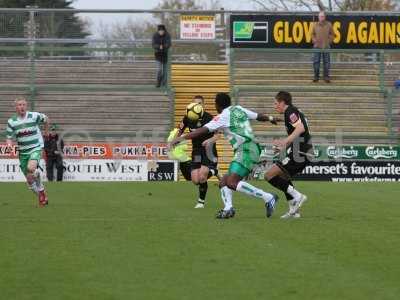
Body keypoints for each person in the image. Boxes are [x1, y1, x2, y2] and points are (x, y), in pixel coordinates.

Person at [170, 93, 280, 219]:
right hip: (247, 148)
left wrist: (180, 138)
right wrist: (271, 118)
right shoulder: (238, 109)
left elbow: (202, 130)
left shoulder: (222, 117)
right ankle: (228, 208)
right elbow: (258, 116)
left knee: (232, 182)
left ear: (217, 105)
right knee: (224, 182)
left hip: (246, 149)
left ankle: (268, 197)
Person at [264, 91, 313, 219]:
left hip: (300, 152)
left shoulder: (290, 111)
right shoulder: (292, 112)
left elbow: (300, 128)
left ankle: (298, 196)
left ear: (282, 102)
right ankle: (294, 210)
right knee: (284, 177)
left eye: (276, 103)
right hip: (300, 151)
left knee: (269, 175)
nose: (275, 107)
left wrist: (285, 141)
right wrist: (283, 147)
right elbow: (298, 133)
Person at [5, 97, 49, 207]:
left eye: (23, 104)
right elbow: (9, 137)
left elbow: (46, 119)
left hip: (35, 148)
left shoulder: (34, 116)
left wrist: (46, 132)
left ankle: (38, 180)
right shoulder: (11, 122)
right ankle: (42, 193)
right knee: (30, 180)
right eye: (19, 105)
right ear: (15, 107)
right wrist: (9, 145)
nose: (22, 107)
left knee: (31, 168)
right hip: (23, 153)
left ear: (26, 106)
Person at [177, 95, 219, 208]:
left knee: (202, 177)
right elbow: (180, 130)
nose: (197, 106)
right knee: (195, 180)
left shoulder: (209, 117)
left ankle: (201, 202)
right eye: (195, 104)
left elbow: (216, 136)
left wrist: (210, 140)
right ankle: (214, 172)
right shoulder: (188, 117)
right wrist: (175, 141)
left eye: (200, 103)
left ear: (203, 105)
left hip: (208, 150)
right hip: (196, 151)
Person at [311, 11, 334, 83]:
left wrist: (329, 41)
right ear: (318, 17)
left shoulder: (329, 25)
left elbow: (332, 34)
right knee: (316, 62)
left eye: (322, 16)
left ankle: (326, 77)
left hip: (326, 46)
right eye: (320, 16)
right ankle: (316, 77)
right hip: (317, 47)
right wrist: (314, 40)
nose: (321, 18)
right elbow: (312, 34)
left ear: (325, 17)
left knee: (326, 62)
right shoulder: (315, 25)